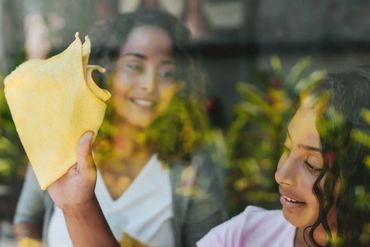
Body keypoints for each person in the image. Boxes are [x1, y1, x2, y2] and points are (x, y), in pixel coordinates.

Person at [48, 65, 369, 247]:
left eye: (312, 164)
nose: (282, 174)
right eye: (286, 149)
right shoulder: (247, 235)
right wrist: (78, 207)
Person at [13, 9, 226, 247]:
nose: (150, 85)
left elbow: (211, 242)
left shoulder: (191, 165)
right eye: (135, 66)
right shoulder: (63, 137)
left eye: (167, 72)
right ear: (108, 69)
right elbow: (27, 220)